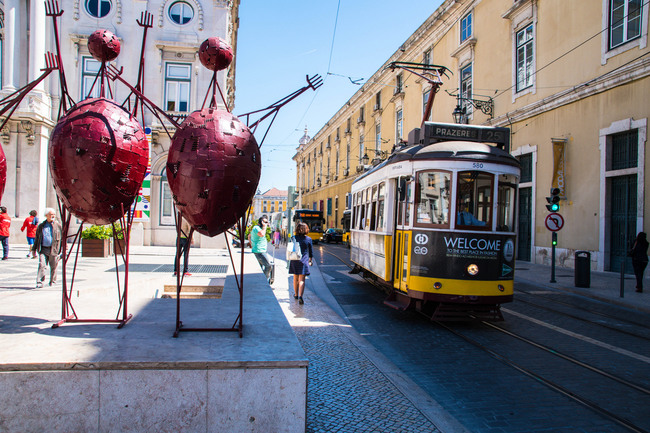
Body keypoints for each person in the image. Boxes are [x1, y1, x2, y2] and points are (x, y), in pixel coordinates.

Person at [32, 208, 62, 287]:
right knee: (42, 265)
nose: (53, 216)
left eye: (54, 214)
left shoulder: (58, 226)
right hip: (43, 249)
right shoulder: (41, 226)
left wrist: (65, 249)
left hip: (54, 249)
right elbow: (37, 238)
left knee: (54, 266)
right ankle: (40, 282)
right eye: (51, 214)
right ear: (46, 215)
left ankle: (53, 281)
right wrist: (34, 249)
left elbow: (63, 238)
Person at [289, 222, 313, 305]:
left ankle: (295, 295)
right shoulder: (308, 239)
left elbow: (290, 248)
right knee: (302, 280)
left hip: (295, 259)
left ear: (297, 229)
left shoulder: (293, 238)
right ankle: (300, 297)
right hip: (304, 260)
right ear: (306, 230)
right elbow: (311, 252)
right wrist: (310, 260)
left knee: (295, 278)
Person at [249, 216, 273, 283]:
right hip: (259, 251)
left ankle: (259, 281)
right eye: (265, 222)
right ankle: (263, 281)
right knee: (268, 266)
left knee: (260, 268)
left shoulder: (258, 228)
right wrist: (264, 227)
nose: (266, 223)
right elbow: (262, 234)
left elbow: (249, 236)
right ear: (261, 222)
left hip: (259, 250)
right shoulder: (256, 228)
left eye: (267, 222)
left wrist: (252, 244)